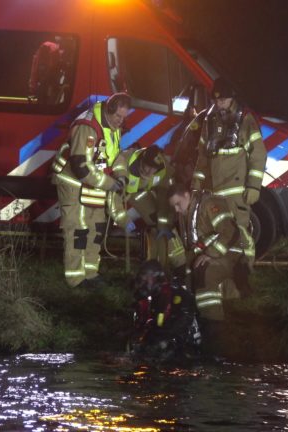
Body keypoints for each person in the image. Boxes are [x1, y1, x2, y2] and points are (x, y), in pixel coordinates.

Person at [51, 92, 132, 288]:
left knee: (96, 229)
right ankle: (76, 279)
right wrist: (109, 184)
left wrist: (121, 175)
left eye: (124, 118)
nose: (120, 122)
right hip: (74, 183)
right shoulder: (87, 127)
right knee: (78, 231)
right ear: (109, 110)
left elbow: (116, 155)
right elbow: (81, 167)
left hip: (95, 182)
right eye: (118, 117)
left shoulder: (113, 126)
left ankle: (90, 273)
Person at [167, 183, 254, 353]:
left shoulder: (210, 204)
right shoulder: (187, 212)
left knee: (205, 273)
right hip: (211, 254)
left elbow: (229, 232)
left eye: (178, 204)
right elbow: (192, 247)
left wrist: (211, 254)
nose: (177, 210)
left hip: (232, 254)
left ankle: (214, 326)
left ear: (186, 195)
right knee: (185, 283)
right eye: (174, 207)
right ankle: (194, 328)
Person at [191, 78, 267, 230]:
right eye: (217, 100)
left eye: (223, 100)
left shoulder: (245, 120)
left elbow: (258, 154)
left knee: (238, 234)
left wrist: (254, 186)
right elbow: (203, 156)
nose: (219, 104)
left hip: (236, 194)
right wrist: (197, 183)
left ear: (233, 98)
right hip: (213, 192)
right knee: (217, 234)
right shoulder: (210, 120)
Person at [108, 144, 183, 266]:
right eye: (147, 166)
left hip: (139, 195)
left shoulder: (163, 169)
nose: (149, 171)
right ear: (141, 159)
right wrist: (123, 220)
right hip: (118, 198)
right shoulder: (125, 164)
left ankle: (178, 264)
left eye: (153, 168)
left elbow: (164, 196)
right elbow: (112, 196)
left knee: (160, 225)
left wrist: (163, 223)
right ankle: (153, 264)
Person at [128, 259, 200, 362]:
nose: (143, 283)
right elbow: (146, 326)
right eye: (141, 279)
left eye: (146, 278)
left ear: (156, 277)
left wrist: (161, 341)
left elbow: (183, 321)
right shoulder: (149, 300)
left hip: (185, 348)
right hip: (163, 347)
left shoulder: (175, 293)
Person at [28, 36, 66, 104]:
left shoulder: (48, 46)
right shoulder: (47, 46)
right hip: (50, 81)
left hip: (53, 81)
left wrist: (33, 85)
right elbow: (37, 65)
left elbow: (36, 65)